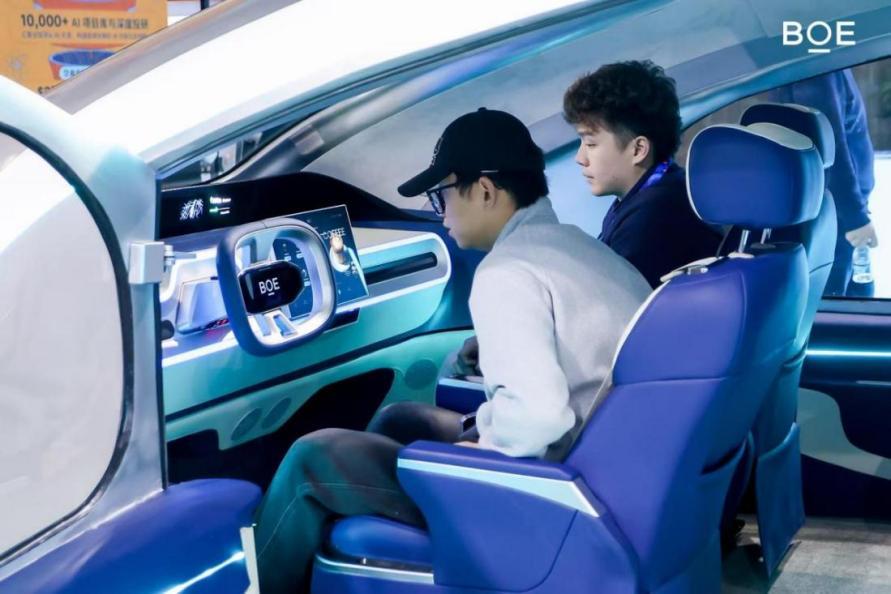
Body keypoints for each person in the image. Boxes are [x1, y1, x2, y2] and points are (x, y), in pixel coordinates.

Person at [252, 108, 651, 593]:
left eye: (441, 194)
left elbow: (539, 419)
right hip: (604, 472)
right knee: (401, 419)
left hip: (544, 494)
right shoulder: (581, 249)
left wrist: (484, 449)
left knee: (311, 458)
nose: (440, 212)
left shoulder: (507, 273)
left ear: (484, 190)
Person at [563, 60, 723, 288]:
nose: (580, 158)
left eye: (590, 144)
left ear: (638, 150)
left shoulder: (652, 221)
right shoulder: (658, 190)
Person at [770, 69, 877, 296]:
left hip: (835, 210)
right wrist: (855, 217)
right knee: (836, 301)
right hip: (834, 212)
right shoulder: (819, 69)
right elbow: (830, 146)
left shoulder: (826, 66)